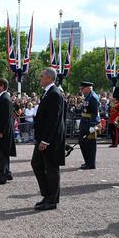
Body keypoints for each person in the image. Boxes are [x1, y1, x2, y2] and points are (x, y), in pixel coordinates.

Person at [31, 68, 66, 211]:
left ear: (50, 78)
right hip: (43, 138)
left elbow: (53, 120)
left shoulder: (54, 94)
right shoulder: (47, 93)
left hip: (50, 140)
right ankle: (47, 194)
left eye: (42, 76)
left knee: (51, 169)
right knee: (36, 164)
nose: (40, 78)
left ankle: (52, 200)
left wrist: (45, 140)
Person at [78, 82, 101, 170]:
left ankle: (91, 163)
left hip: (89, 123)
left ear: (87, 88)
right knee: (82, 141)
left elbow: (95, 113)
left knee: (90, 144)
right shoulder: (88, 96)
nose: (81, 90)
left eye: (82, 88)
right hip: (85, 122)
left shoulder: (93, 97)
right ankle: (87, 161)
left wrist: (92, 125)